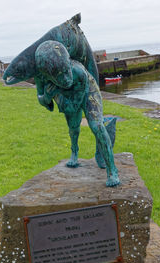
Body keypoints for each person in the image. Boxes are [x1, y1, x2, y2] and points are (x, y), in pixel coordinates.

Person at [34, 41, 120, 187]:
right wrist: (47, 96)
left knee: (96, 125)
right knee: (73, 128)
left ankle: (112, 170)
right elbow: (42, 99)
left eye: (66, 70)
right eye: (59, 75)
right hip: (63, 94)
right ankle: (75, 151)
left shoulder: (78, 72)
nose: (66, 78)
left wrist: (54, 93)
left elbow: (76, 104)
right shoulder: (41, 76)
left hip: (88, 90)